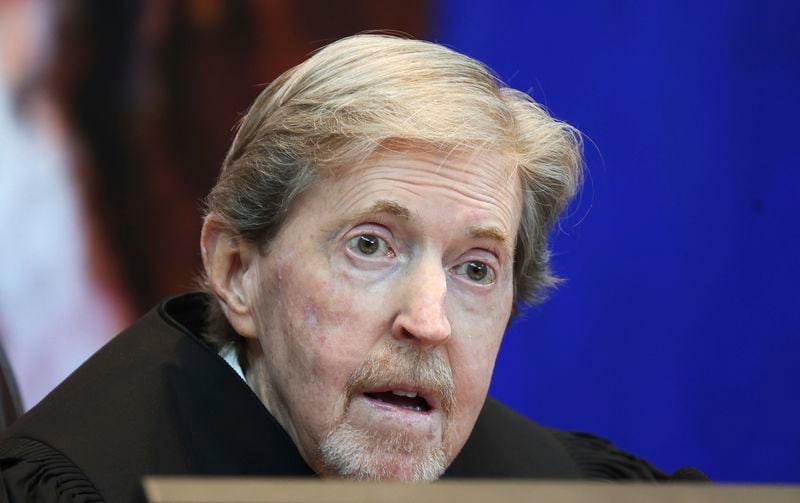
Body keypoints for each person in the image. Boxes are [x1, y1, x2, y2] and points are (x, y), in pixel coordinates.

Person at [0, 35, 691, 502]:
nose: (429, 320)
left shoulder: (562, 485)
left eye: (476, 268)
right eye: (371, 245)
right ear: (237, 270)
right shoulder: (79, 482)